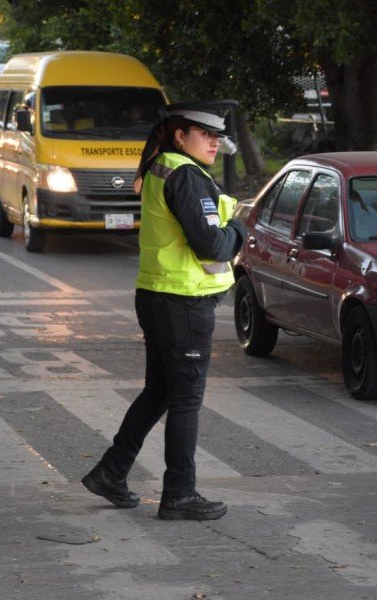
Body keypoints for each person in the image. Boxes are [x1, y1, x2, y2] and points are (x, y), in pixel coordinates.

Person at [82, 102, 247, 521]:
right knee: (186, 400)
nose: (214, 142)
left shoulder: (163, 166)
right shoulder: (185, 174)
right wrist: (238, 229)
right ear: (180, 135)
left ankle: (111, 473)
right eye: (205, 134)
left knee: (160, 392)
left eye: (217, 136)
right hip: (183, 303)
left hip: (158, 295)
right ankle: (178, 495)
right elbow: (212, 244)